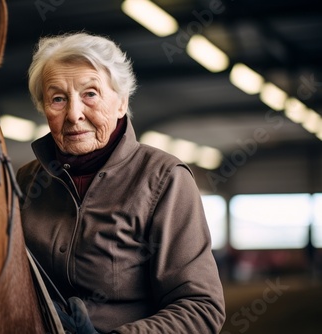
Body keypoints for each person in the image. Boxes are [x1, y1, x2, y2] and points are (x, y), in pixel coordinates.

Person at [16, 32, 226, 334]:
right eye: (58, 99)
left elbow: (200, 307)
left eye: (90, 94)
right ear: (44, 109)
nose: (74, 115)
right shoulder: (26, 180)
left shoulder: (165, 179)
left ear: (121, 103)